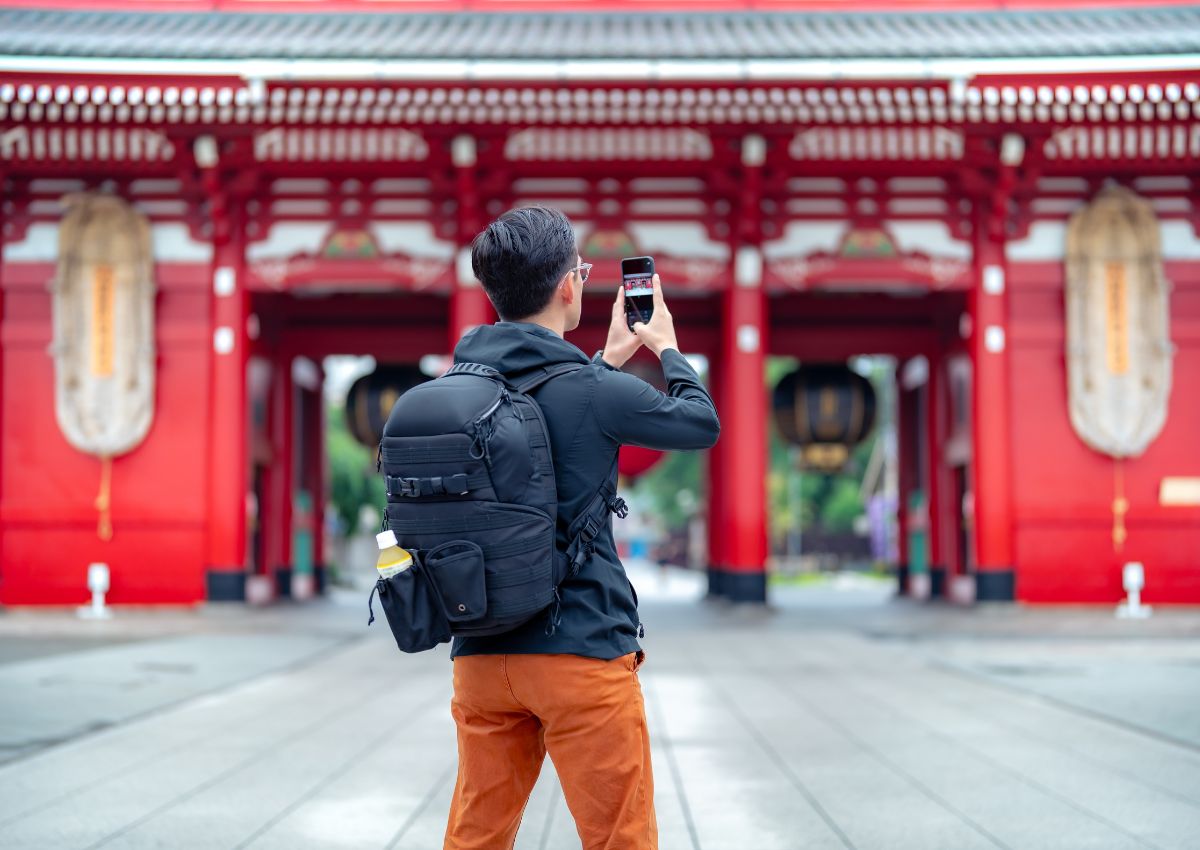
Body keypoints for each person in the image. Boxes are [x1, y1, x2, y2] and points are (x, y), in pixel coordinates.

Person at [443, 206, 720, 850]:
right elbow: (698, 421)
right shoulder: (594, 390)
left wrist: (605, 362)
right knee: (618, 838)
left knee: (476, 838)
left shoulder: (458, 386)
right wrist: (666, 345)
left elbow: (547, 407)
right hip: (581, 651)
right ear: (569, 285)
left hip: (481, 655)